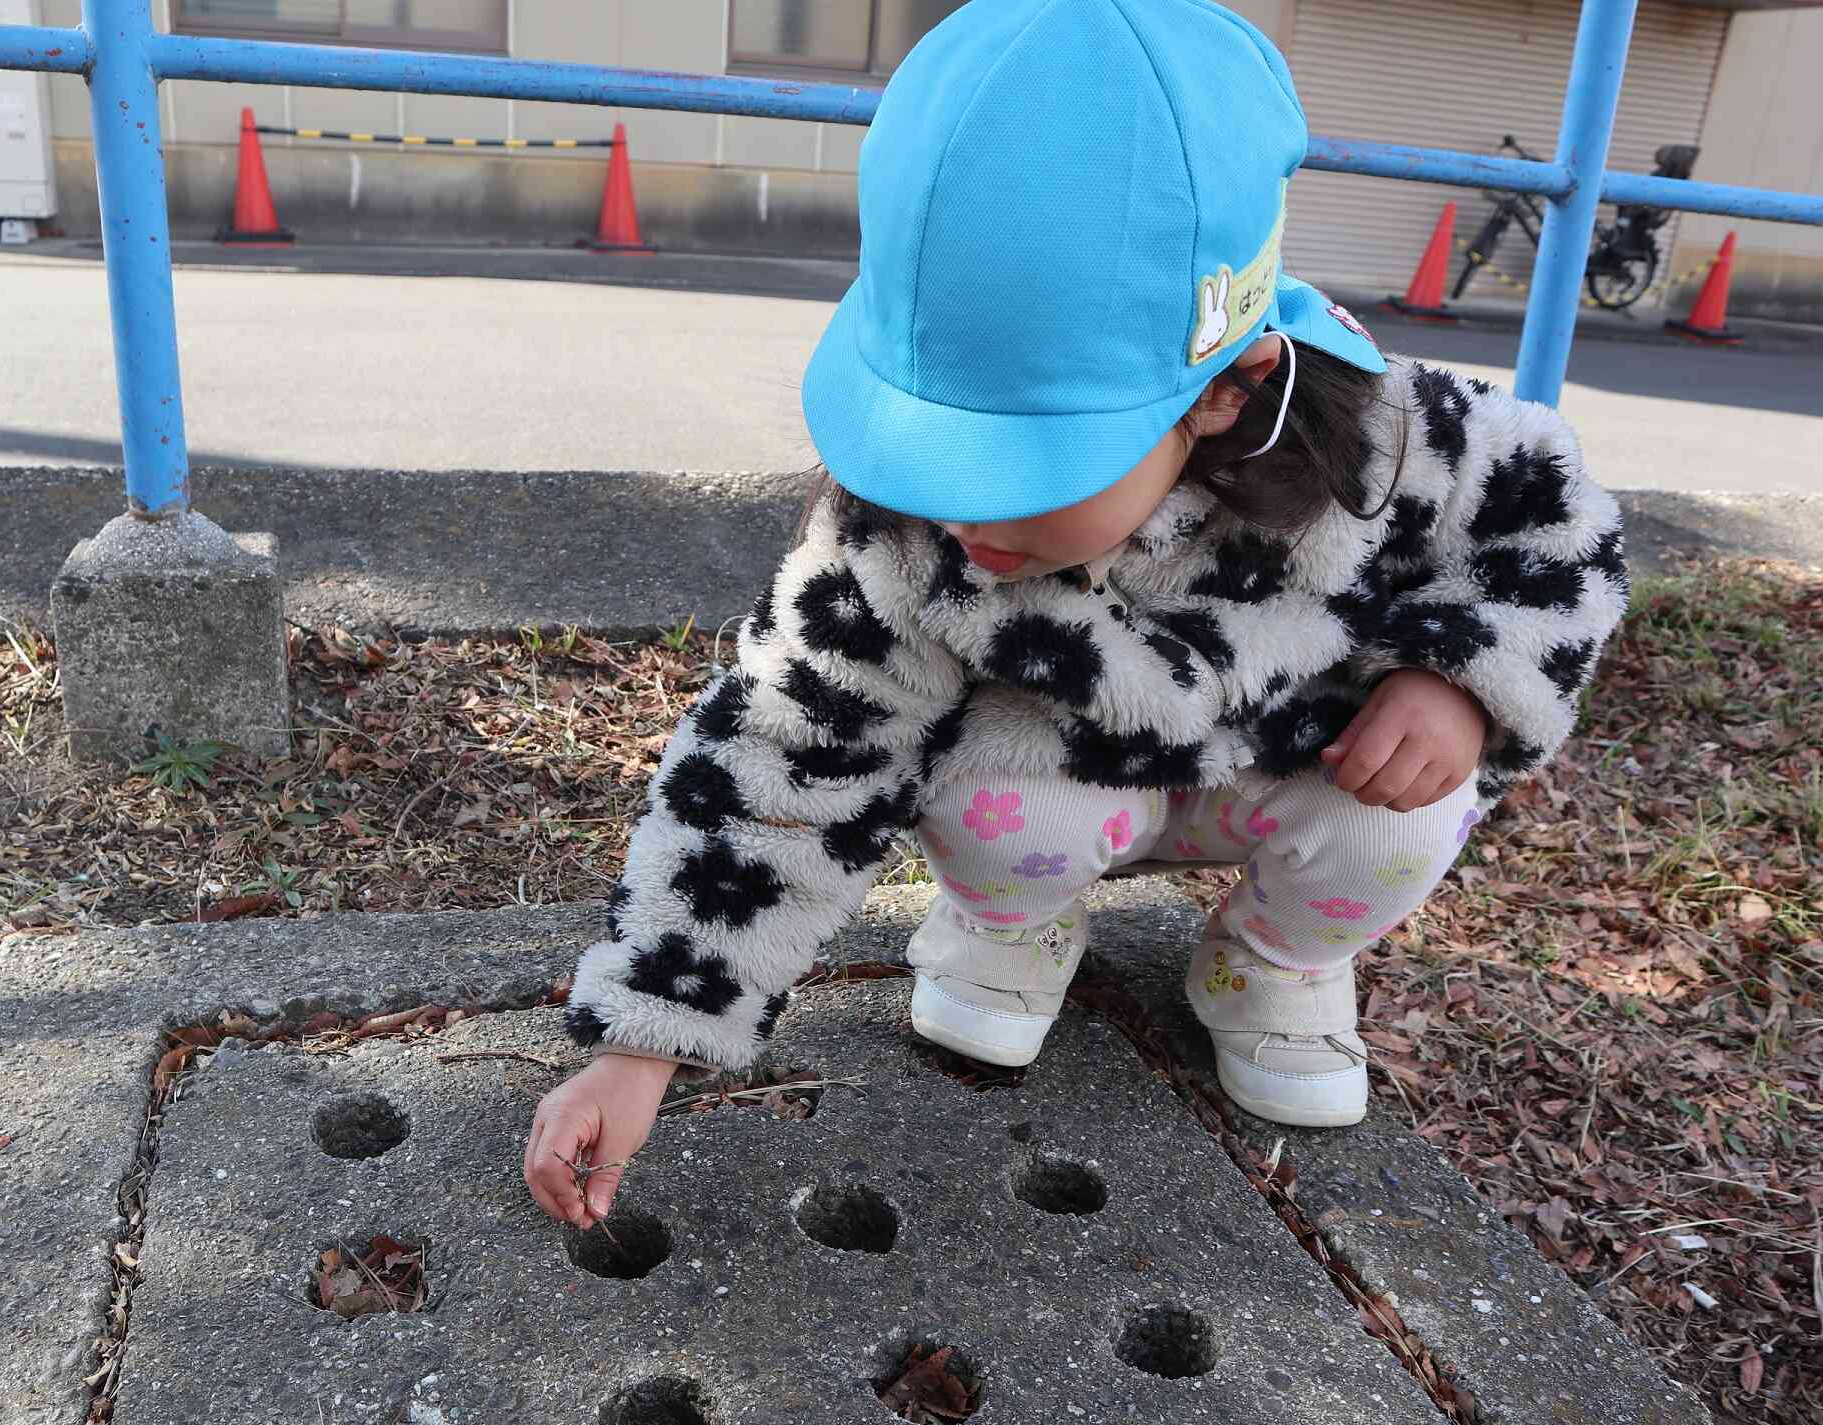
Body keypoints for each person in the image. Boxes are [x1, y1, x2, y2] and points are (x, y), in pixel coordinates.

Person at [524, 0, 1627, 1230]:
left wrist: (1463, 681)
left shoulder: (1403, 449)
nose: (959, 514)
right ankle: (1015, 926)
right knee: (994, 809)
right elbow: (784, 756)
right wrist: (641, 1045)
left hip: (1297, 774)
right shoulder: (901, 536)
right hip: (1059, 788)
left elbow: (1559, 527)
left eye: (1027, 462)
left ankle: (1273, 965)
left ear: (1228, 390)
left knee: (1397, 828)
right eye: (926, 439)